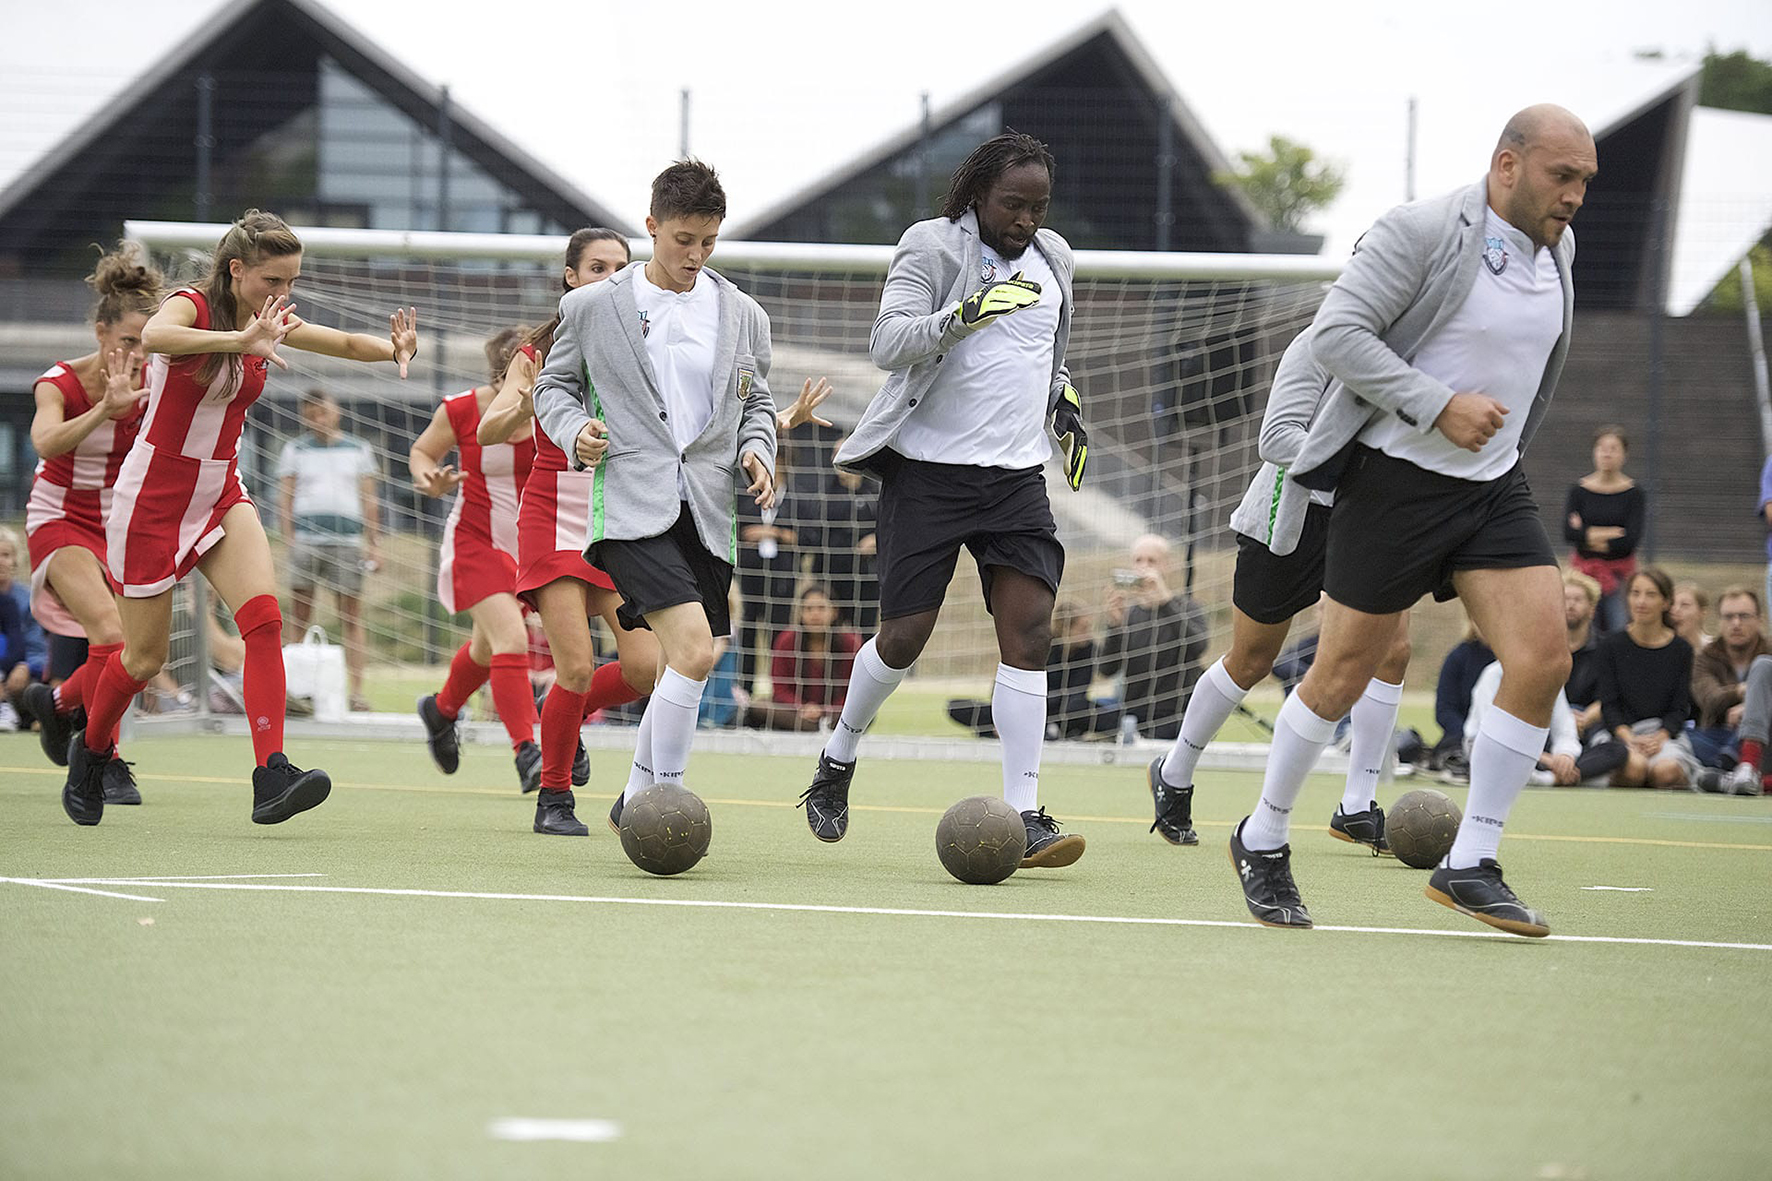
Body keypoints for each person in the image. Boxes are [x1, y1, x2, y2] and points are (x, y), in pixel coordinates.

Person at [1227, 105, 1594, 937]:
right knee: (1342, 673)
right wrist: (1437, 406)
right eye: (1561, 176)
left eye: (1584, 182)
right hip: (1392, 482)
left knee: (1543, 659)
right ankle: (1264, 833)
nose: (1574, 196)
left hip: (1492, 486)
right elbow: (1336, 335)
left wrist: (1493, 443)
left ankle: (1471, 861)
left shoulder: (1560, 250)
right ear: (1508, 165)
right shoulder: (1419, 232)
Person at [62, 209, 418, 827]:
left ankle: (270, 772)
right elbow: (156, 340)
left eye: (291, 283)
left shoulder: (272, 320)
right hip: (151, 500)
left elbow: (342, 343)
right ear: (236, 271)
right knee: (142, 659)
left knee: (264, 621)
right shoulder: (189, 307)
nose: (283, 296)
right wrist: (238, 341)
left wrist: (394, 349)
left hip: (220, 490)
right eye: (272, 281)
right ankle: (92, 750)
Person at [796, 131, 1090, 869]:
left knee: (1029, 633)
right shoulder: (930, 247)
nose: (1026, 220)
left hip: (1017, 481)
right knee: (902, 641)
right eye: (1012, 205)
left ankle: (1026, 813)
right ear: (976, 197)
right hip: (928, 475)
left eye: (1038, 206)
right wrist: (966, 312)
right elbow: (889, 343)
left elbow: (1038, 355)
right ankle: (837, 759)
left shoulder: (1057, 258)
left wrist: (1063, 404)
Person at [533, 159, 777, 830]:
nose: (695, 256)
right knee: (696, 651)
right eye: (682, 240)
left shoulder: (744, 315)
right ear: (651, 227)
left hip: (707, 511)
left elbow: (757, 406)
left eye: (708, 241)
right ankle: (655, 801)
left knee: (681, 658)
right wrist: (575, 429)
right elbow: (552, 389)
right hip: (631, 506)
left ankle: (634, 798)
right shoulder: (588, 306)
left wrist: (759, 450)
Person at [1154, 331, 1413, 849]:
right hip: (1292, 515)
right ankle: (1174, 770)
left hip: (1367, 521)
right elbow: (1276, 439)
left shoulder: (1418, 347)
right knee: (1251, 660)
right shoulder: (1319, 343)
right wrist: (1359, 472)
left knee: (1393, 650)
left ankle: (1358, 804)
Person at [16, 244, 160, 802]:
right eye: (127, 341)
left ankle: (54, 705)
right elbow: (45, 442)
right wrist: (106, 410)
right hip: (60, 517)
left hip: (120, 522)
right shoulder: (61, 383)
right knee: (114, 633)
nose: (137, 355)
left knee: (134, 650)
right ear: (101, 334)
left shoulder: (154, 384)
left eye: (146, 345)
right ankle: (107, 757)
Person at [410, 329, 543, 792]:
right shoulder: (463, 408)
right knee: (512, 638)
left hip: (531, 547)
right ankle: (527, 751)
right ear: (502, 371)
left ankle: (441, 709)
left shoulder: (554, 405)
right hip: (475, 540)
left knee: (488, 651)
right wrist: (429, 479)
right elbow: (423, 451)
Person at [277, 387, 379, 711]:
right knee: (299, 615)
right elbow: (285, 496)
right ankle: (291, 688)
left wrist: (373, 543)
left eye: (323, 412)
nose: (318, 419)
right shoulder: (294, 450)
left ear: (336, 412)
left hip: (348, 541)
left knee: (350, 616)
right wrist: (289, 537)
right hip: (307, 540)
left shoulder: (359, 449)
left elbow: (369, 498)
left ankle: (357, 691)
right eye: (311, 414)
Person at [1097, 534, 1207, 742]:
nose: (1144, 566)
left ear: (1167, 566)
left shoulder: (1188, 607)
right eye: (1138, 560)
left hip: (1178, 717)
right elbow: (1107, 670)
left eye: (1151, 560)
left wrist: (1165, 602)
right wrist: (1115, 626)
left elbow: (1198, 647)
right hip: (1135, 717)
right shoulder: (1128, 613)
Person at [1595, 567, 1697, 789]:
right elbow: (1609, 705)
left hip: (1662, 735)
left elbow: (1679, 708)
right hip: (1620, 733)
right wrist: (1628, 737)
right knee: (1634, 768)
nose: (1641, 602)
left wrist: (1661, 736)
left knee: (1666, 771)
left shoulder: (1681, 650)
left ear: (1666, 602)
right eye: (1635, 593)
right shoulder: (1610, 646)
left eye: (1651, 595)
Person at [740, 583, 860, 731]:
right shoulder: (786, 640)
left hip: (836, 713)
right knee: (758, 707)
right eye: (809, 609)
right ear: (801, 613)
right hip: (796, 712)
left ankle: (817, 727)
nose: (815, 614)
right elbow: (780, 688)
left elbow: (855, 690)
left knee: (864, 711)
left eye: (821, 608)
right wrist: (802, 708)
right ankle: (817, 728)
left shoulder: (850, 643)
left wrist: (824, 710)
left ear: (834, 612)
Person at [1690, 586, 1772, 795]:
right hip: (1717, 736)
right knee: (1684, 738)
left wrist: (1750, 707)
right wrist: (1743, 692)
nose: (1736, 623)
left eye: (1743, 616)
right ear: (1719, 621)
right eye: (1728, 617)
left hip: (1766, 739)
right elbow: (1710, 700)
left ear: (1760, 619)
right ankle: (1748, 778)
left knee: (1763, 665)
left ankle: (1744, 769)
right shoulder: (1705, 657)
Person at [1563, 424, 1643, 633]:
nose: (1607, 453)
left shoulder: (1634, 494)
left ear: (1624, 454)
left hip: (1618, 577)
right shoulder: (1579, 491)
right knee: (1582, 630)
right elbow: (1569, 533)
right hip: (1583, 574)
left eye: (1613, 448)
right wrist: (1611, 533)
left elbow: (1629, 541)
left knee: (1618, 629)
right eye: (1601, 447)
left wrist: (1587, 533)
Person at [1429, 617, 1495, 783]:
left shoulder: (1517, 658)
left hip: (1506, 737)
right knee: (1453, 751)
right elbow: (1444, 711)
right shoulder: (1458, 658)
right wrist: (1469, 737)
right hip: (1463, 737)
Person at [0, 527, 46, 729]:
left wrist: (26, 666)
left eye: (6, 555)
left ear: (15, 561)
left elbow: (42, 649)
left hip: (21, 674)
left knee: (35, 688)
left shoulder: (30, 600)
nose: (1, 561)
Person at [1562, 570, 1605, 739]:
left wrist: (1585, 719)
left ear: (1592, 609)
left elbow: (1610, 695)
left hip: (1592, 723)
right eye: (1565, 599)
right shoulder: (1543, 648)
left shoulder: (1606, 648)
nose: (1571, 605)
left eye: (1578, 599)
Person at [1670, 581, 1712, 653]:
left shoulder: (1715, 650)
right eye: (1671, 605)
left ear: (1702, 612)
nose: (1675, 610)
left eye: (1684, 605)